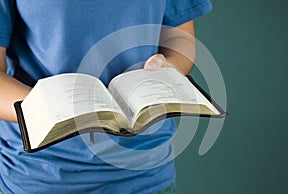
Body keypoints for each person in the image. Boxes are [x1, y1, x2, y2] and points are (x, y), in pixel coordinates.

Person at [0, 0, 212, 193]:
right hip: (40, 177)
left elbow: (180, 40)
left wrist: (171, 66)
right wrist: (52, 108)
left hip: (146, 176)